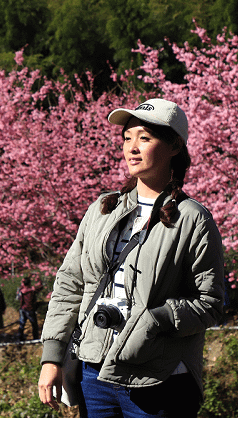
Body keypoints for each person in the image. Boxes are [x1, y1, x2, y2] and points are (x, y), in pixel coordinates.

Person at [37, 98, 224, 417]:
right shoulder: (102, 210)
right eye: (127, 138)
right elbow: (70, 284)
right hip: (94, 374)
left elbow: (210, 302)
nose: (132, 148)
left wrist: (156, 319)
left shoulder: (193, 219)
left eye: (145, 138)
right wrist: (52, 356)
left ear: (175, 146)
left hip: (160, 379)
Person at [17, 276, 43, 341]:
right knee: (34, 325)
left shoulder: (21, 290)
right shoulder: (32, 290)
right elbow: (41, 287)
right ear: (29, 283)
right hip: (30, 309)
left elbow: (18, 298)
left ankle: (20, 338)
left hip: (22, 309)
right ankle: (35, 338)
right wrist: (39, 280)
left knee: (22, 324)